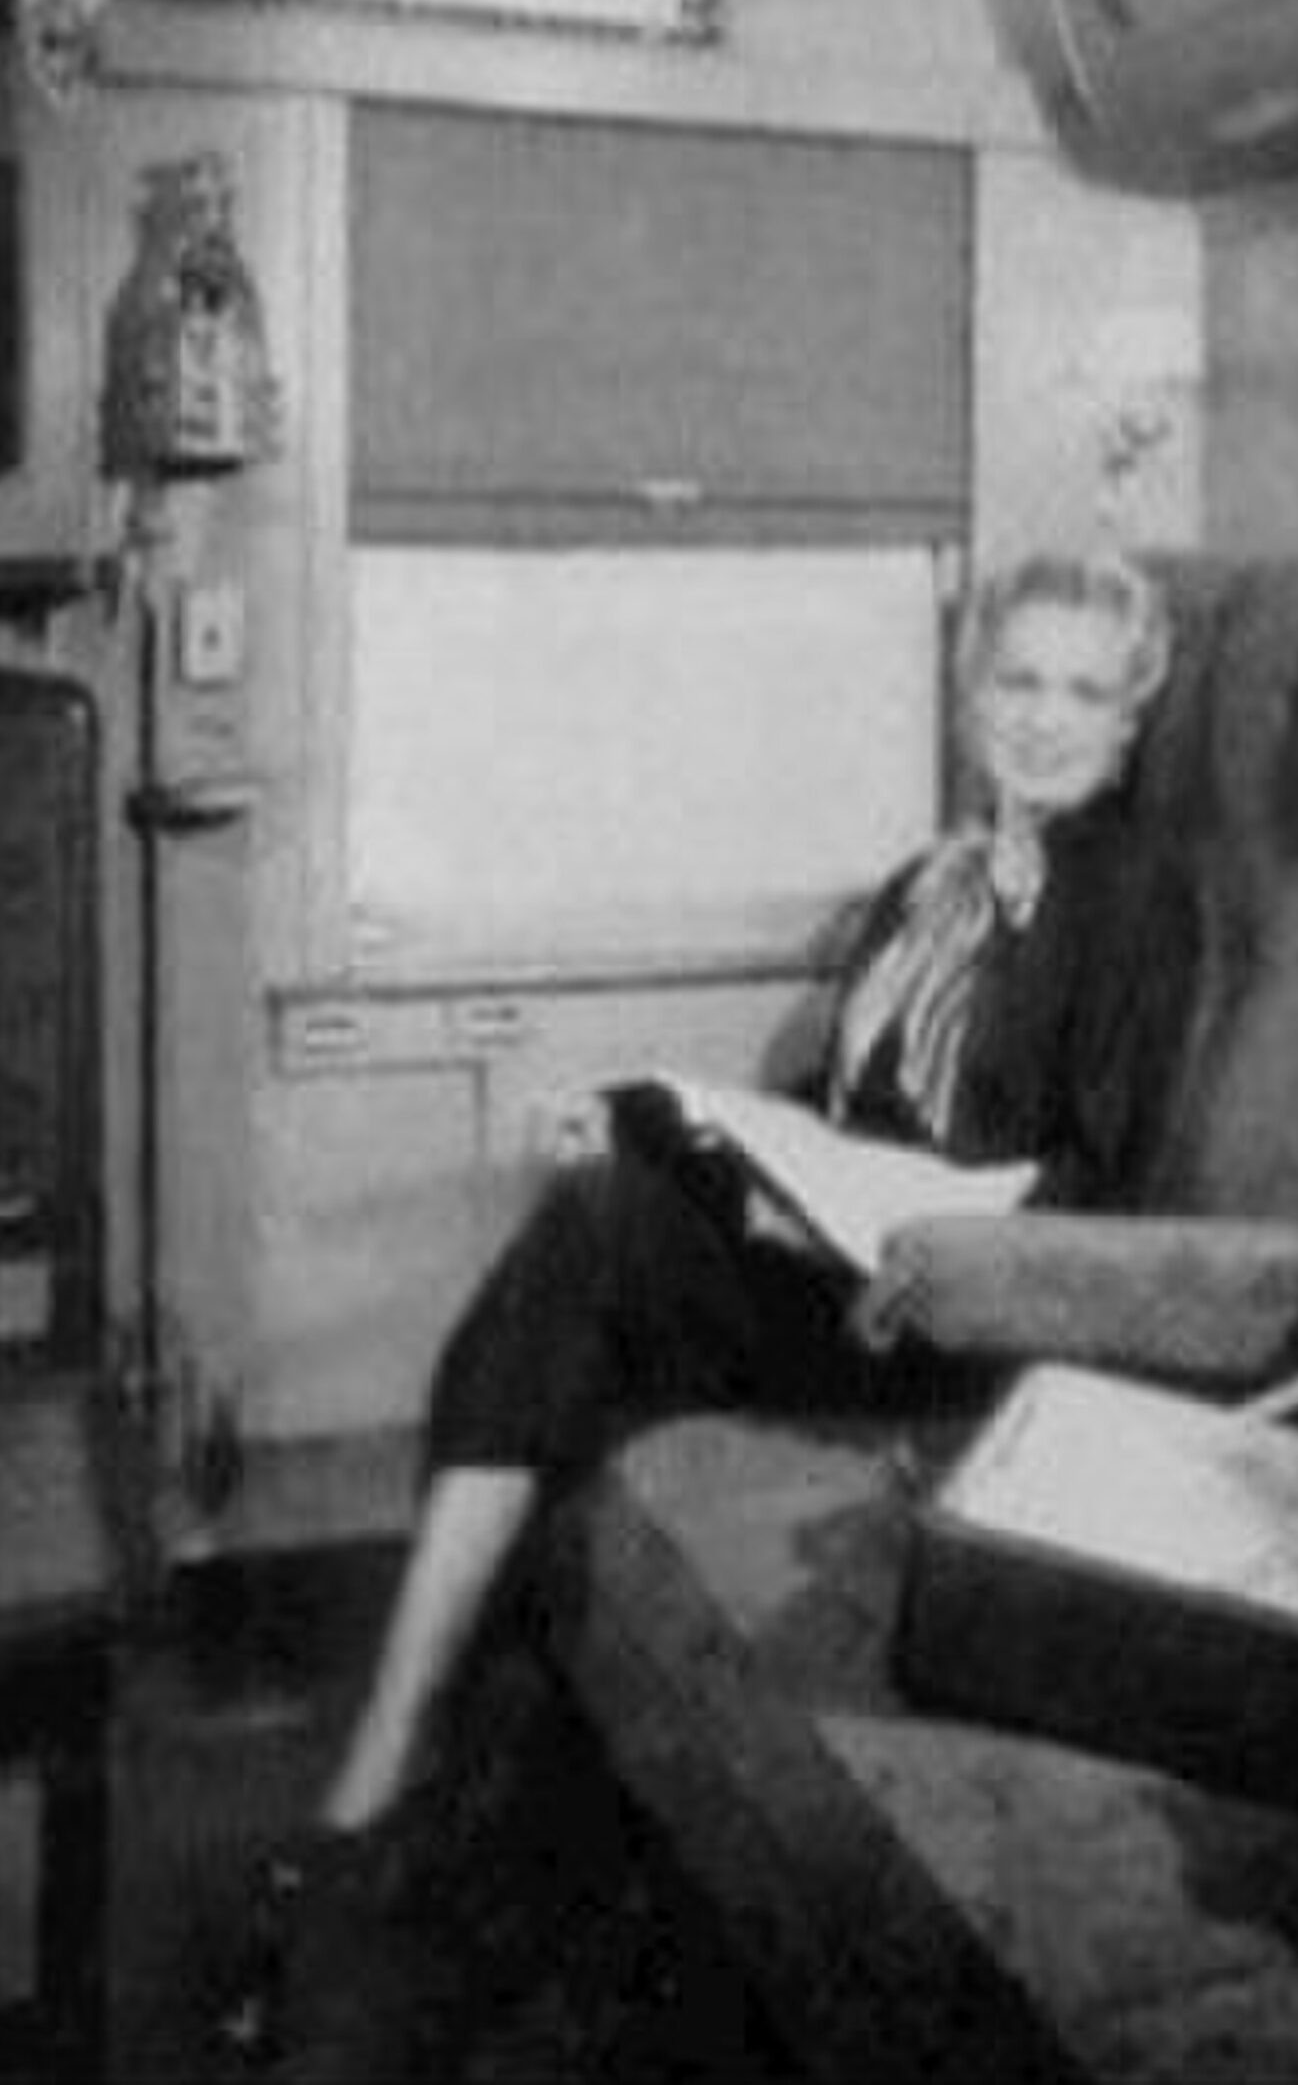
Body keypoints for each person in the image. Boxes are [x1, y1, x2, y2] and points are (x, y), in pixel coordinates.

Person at [222, 545, 1199, 2071]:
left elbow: (1098, 1177)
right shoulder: (925, 887)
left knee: (589, 1261)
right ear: (972, 694)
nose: (1044, 717)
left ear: (1130, 723)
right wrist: (713, 1145)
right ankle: (472, 1862)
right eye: (1019, 680)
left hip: (957, 1319)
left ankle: (388, 1795)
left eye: (1084, 692)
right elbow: (841, 1111)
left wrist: (925, 1240)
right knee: (589, 1256)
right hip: (843, 1263)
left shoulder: (1134, 902)